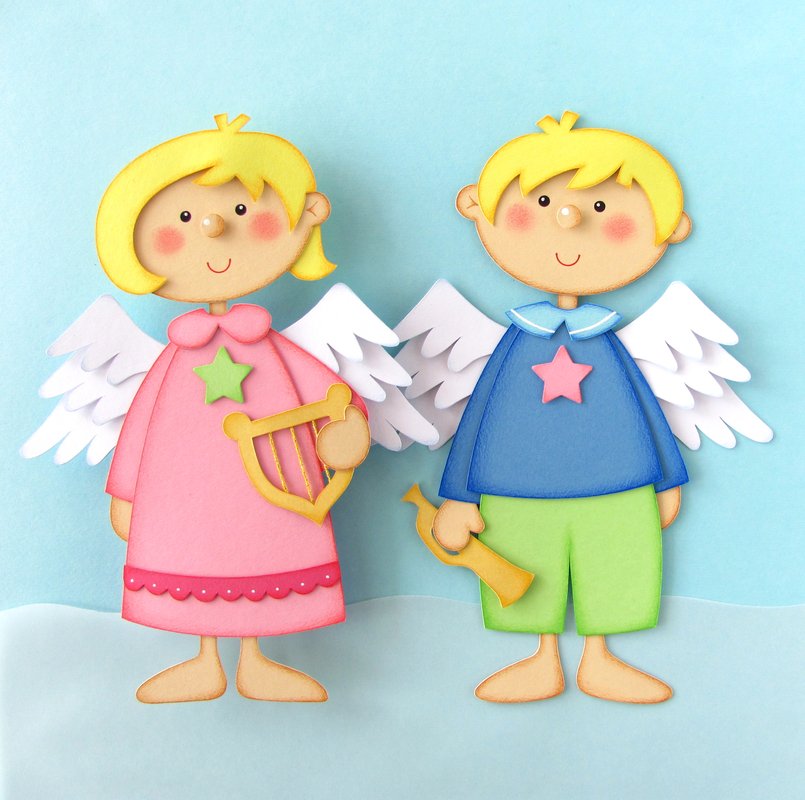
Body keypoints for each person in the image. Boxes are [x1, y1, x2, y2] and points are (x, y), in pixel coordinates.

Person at [97, 114, 370, 703]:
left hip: (273, 486)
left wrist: (345, 430)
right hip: (182, 495)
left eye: (243, 211)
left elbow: (333, 399)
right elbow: (140, 426)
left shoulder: (272, 349)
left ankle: (255, 661)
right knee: (194, 561)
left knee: (266, 555)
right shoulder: (177, 357)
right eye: (184, 218)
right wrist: (126, 492)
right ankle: (205, 662)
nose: (214, 226)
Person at [435, 111, 690, 704]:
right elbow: (478, 420)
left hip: (618, 484)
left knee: (617, 566)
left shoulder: (606, 340)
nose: (569, 218)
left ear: (668, 228)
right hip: (514, 486)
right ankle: (542, 658)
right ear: (477, 207)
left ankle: (600, 659)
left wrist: (667, 478)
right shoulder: (517, 340)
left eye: (600, 207)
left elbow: (646, 411)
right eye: (543, 202)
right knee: (523, 567)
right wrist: (459, 495)